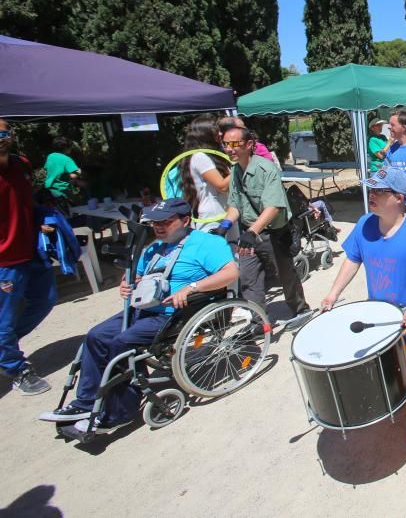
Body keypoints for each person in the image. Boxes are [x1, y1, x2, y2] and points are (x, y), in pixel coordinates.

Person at [38, 198, 238, 434]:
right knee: (95, 336)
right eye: (155, 222)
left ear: (185, 220)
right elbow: (135, 277)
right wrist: (127, 284)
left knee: (121, 344)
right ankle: (85, 403)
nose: (159, 227)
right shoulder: (154, 248)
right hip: (142, 309)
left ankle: (120, 412)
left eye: (166, 221)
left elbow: (231, 273)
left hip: (175, 314)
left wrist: (192, 287)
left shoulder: (207, 243)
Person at [319, 168, 406, 480]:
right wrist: (332, 294)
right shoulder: (365, 225)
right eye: (371, 190)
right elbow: (353, 258)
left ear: (399, 198)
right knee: (393, 376)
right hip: (385, 328)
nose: (371, 196)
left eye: (379, 192)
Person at [220, 126, 309, 317]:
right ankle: (258, 320)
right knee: (249, 278)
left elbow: (273, 206)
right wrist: (224, 226)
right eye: (226, 144)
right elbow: (236, 203)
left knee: (284, 274)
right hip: (249, 234)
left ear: (250, 144)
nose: (229, 149)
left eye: (235, 144)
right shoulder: (235, 170)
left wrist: (253, 232)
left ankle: (300, 309)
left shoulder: (266, 169)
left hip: (273, 233)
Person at [0, 119, 57, 395]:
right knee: (5, 319)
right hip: (4, 261)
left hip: (31, 250)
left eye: (4, 132)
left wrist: (41, 216)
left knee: (45, 300)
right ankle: (14, 366)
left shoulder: (21, 164)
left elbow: (25, 200)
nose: (1, 137)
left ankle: (3, 345)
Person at [176, 115, 231, 231]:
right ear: (205, 134)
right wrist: (241, 165)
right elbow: (222, 186)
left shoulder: (213, 156)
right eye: (216, 131)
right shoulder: (200, 157)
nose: (220, 134)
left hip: (224, 214)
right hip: (212, 219)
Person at [43, 137, 83, 203]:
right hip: (62, 191)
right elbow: (73, 175)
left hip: (50, 190)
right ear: (66, 148)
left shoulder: (50, 156)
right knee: (76, 206)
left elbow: (46, 169)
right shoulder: (67, 159)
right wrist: (79, 171)